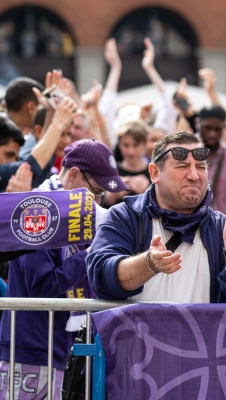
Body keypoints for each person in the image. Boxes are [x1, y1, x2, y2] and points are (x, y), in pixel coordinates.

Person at [0, 139, 128, 400]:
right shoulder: (38, 210)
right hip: (30, 350)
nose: (99, 201)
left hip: (55, 347)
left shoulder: (70, 215)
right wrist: (91, 254)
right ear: (73, 175)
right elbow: (42, 287)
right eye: (96, 191)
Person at [87, 131, 226, 303]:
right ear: (155, 173)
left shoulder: (221, 227)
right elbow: (101, 278)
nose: (194, 175)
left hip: (203, 336)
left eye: (201, 166)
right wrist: (148, 263)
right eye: (182, 166)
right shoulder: (125, 216)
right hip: (134, 336)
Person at [103, 120, 151, 207]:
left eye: (135, 145)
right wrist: (111, 196)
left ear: (145, 143)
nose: (131, 151)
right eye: (126, 145)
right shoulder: (110, 172)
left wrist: (148, 192)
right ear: (119, 144)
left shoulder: (154, 173)